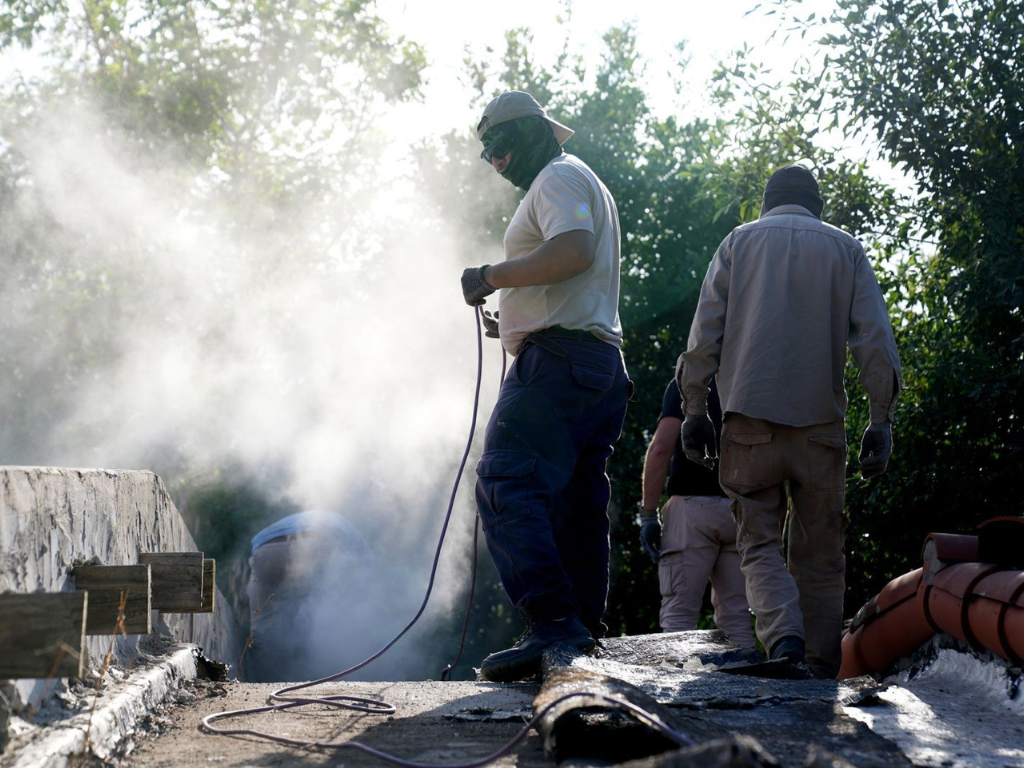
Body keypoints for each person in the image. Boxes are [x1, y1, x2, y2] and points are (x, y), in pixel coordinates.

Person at [676, 165, 902, 678]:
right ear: (816, 206)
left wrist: (694, 410)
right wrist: (881, 420)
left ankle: (785, 643)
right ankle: (820, 671)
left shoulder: (739, 242)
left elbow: (704, 332)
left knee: (756, 541)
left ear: (766, 204)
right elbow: (875, 342)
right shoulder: (845, 249)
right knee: (822, 553)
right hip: (821, 430)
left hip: (749, 426)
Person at [461, 90, 631, 682]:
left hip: (559, 363)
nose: (496, 162)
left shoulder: (557, 179)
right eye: (488, 155)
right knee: (575, 502)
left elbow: (573, 252)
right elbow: (567, 276)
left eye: (499, 148)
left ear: (531, 134)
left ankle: (555, 622)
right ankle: (580, 630)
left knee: (506, 481)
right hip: (594, 363)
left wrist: (489, 276)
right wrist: (511, 314)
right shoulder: (576, 181)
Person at [639, 377, 755, 649]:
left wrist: (648, 515)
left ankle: (670, 689)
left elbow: (660, 449)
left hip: (691, 511)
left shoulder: (687, 383)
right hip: (740, 510)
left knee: (679, 617)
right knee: (736, 618)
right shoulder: (750, 382)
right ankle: (742, 689)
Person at [243, 510, 373, 682]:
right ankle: (318, 679)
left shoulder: (322, 519)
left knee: (263, 624)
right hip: (312, 545)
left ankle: (260, 683)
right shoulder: (360, 544)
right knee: (316, 618)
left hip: (266, 549)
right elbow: (359, 586)